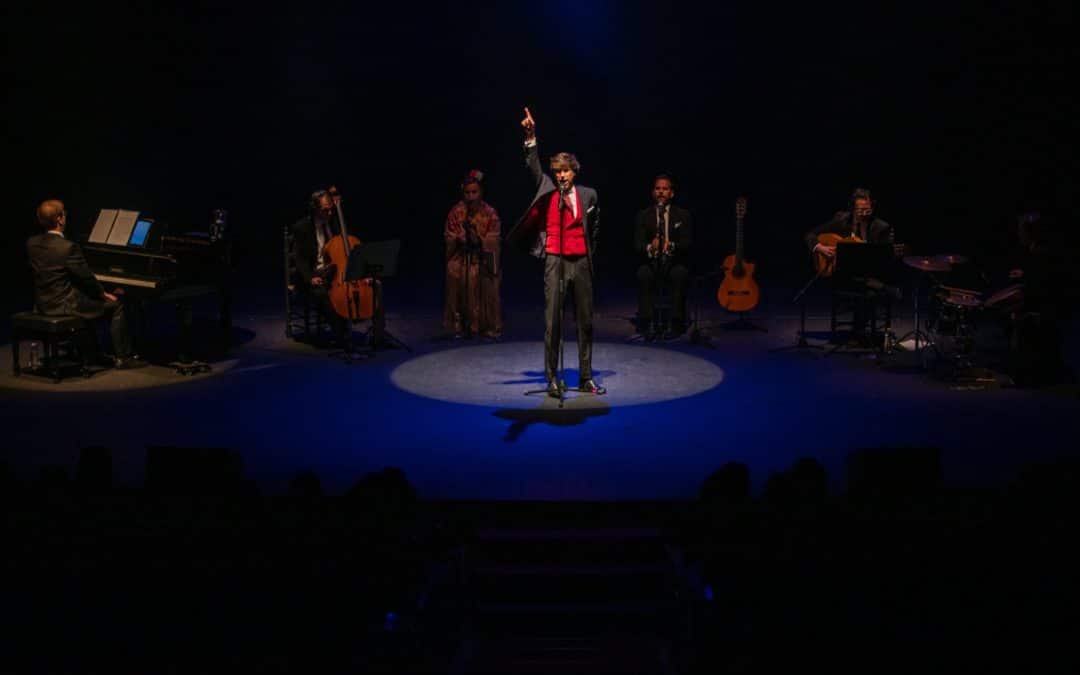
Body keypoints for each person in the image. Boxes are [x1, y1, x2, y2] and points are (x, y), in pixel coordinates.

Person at [509, 107, 605, 396]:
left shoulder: (589, 195)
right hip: (555, 260)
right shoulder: (547, 187)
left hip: (581, 263)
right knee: (553, 321)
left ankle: (586, 377)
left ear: (574, 171)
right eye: (558, 171)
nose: (561, 175)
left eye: (566, 170)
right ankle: (552, 378)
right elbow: (532, 163)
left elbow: (596, 227)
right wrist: (530, 135)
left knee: (585, 321)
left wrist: (589, 255)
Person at [27, 199, 136, 367]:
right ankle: (124, 357)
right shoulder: (68, 247)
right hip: (65, 305)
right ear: (60, 219)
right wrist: (102, 293)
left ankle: (93, 352)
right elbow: (86, 278)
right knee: (116, 305)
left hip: (43, 304)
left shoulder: (31, 243)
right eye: (64, 213)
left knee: (88, 298)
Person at [804, 188, 901, 344]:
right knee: (868, 287)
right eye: (860, 210)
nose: (864, 213)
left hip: (870, 273)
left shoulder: (882, 228)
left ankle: (859, 331)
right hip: (843, 274)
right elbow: (810, 235)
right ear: (852, 209)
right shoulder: (841, 220)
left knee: (869, 292)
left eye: (868, 209)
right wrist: (820, 248)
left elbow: (885, 260)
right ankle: (884, 289)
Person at [443, 169, 503, 340]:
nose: (471, 196)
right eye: (467, 193)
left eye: (474, 192)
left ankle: (488, 326)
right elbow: (449, 235)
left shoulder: (490, 212)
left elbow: (495, 238)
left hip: (483, 257)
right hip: (461, 256)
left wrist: (481, 240)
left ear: (481, 192)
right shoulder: (456, 212)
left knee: (484, 275)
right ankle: (458, 325)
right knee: (454, 271)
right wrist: (458, 239)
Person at [634, 175, 693, 339]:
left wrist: (671, 245)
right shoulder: (643, 215)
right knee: (643, 274)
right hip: (652, 261)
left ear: (671, 193)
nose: (661, 192)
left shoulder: (683, 215)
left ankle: (675, 323)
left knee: (680, 274)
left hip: (673, 261)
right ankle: (647, 323)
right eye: (658, 189)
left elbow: (688, 244)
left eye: (665, 189)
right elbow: (637, 245)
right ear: (653, 192)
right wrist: (650, 247)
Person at [290, 189, 350, 344]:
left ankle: (376, 335)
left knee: (371, 285)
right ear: (315, 209)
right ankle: (341, 333)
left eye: (331, 208)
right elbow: (299, 259)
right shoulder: (302, 227)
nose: (330, 213)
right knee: (322, 293)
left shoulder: (335, 223)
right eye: (325, 210)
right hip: (313, 272)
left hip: (334, 271)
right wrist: (311, 278)